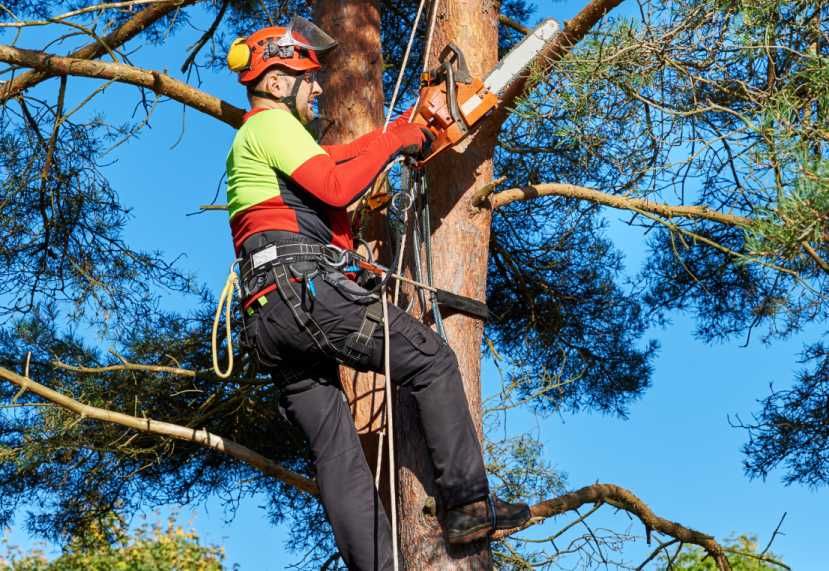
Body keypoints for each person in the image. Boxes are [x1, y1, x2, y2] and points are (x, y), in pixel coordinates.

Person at [225, 16, 531, 570]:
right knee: (432, 360)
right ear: (274, 83)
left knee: (336, 451)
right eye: (306, 77)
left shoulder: (263, 144)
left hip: (269, 315)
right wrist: (396, 138)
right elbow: (339, 185)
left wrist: (398, 134)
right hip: (302, 292)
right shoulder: (269, 126)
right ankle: (466, 504)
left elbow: (335, 168)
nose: (317, 86)